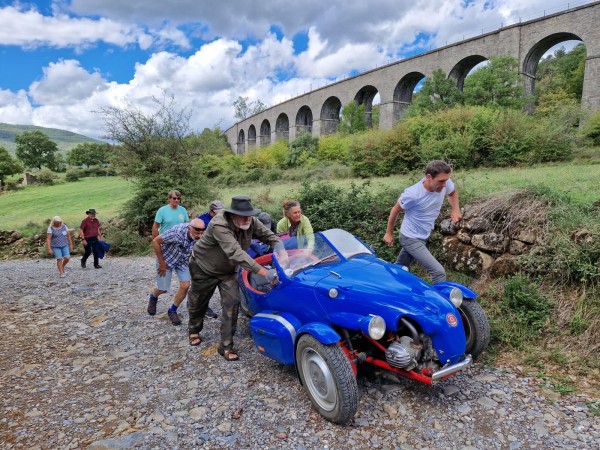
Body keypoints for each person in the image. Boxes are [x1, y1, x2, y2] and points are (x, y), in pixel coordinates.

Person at [187, 196, 284, 360]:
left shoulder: (250, 221)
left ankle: (225, 346)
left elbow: (269, 236)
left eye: (250, 215)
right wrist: (264, 272)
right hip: (204, 268)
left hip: (228, 270)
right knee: (199, 302)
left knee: (232, 303)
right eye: (243, 215)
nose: (248, 218)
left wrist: (283, 250)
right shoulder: (219, 224)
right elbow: (236, 252)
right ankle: (194, 329)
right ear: (232, 214)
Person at [383, 160, 462, 284]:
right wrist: (389, 233)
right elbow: (395, 210)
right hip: (410, 237)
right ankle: (437, 303)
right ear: (429, 177)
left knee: (400, 269)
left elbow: (452, 193)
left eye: (446, 180)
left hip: (423, 235)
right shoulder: (413, 194)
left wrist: (456, 209)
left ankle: (387, 286)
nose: (444, 185)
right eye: (441, 181)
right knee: (438, 272)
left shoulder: (444, 183)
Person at [147, 218, 206, 326]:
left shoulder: (200, 235)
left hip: (182, 262)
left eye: (202, 231)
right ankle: (153, 296)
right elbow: (156, 241)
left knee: (185, 285)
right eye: (197, 231)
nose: (200, 235)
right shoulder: (176, 233)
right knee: (163, 289)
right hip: (166, 260)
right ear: (189, 228)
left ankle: (172, 310)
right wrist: (161, 263)